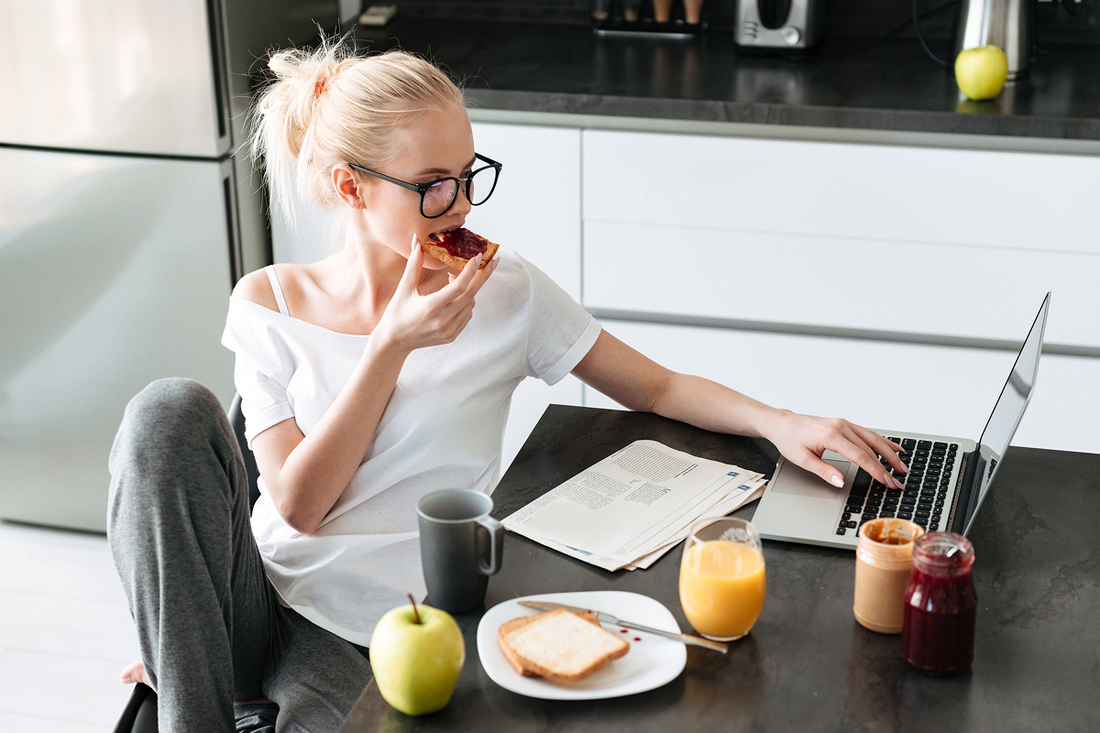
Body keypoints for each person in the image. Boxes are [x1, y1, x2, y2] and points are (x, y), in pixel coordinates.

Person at [107, 36, 908, 733]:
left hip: (390, 625)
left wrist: (780, 420)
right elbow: (296, 506)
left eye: (467, 173)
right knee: (166, 412)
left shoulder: (504, 291)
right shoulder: (270, 303)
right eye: (430, 185)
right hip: (261, 600)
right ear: (353, 188)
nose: (457, 203)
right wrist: (391, 345)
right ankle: (190, 699)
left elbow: (655, 387)